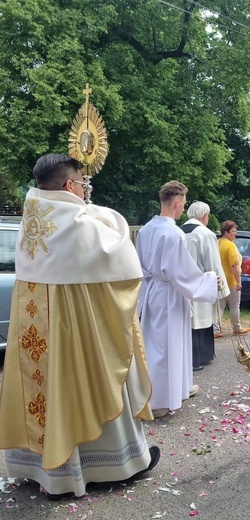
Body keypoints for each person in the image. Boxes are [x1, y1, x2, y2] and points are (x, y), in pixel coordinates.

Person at [0, 154, 158, 500]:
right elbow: (123, 256)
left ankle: (38, 468)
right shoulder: (79, 223)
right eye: (82, 184)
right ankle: (109, 466)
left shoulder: (32, 216)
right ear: (70, 185)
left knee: (45, 389)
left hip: (35, 327)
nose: (84, 191)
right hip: (75, 330)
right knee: (85, 379)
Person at [136, 181, 218, 419]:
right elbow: (181, 273)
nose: (183, 210)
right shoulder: (173, 233)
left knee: (153, 346)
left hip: (151, 291)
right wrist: (210, 280)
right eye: (183, 204)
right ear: (177, 202)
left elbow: (140, 266)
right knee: (166, 347)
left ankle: (171, 391)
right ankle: (160, 401)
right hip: (170, 294)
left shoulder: (146, 230)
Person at [180, 201, 229, 370]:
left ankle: (192, 358)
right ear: (204, 216)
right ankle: (199, 357)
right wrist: (222, 288)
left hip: (181, 284)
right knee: (200, 321)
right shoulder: (205, 234)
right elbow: (213, 263)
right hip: (201, 284)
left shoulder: (178, 231)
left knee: (190, 322)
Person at [213, 220, 250, 337]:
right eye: (233, 231)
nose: (235, 234)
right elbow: (234, 265)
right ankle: (236, 328)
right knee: (234, 305)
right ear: (226, 232)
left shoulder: (217, 243)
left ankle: (216, 329)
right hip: (231, 280)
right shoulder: (230, 245)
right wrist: (238, 281)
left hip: (219, 280)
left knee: (219, 306)